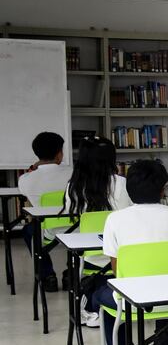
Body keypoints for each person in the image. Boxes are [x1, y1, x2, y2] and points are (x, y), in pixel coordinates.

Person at [90, 160, 168, 345]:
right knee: (166, 282)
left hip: (131, 300)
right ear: (163, 189)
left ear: (129, 190)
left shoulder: (115, 219)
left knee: (100, 294)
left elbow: (117, 270)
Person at [65, 137, 131, 328]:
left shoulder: (74, 186)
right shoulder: (123, 184)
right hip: (124, 258)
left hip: (90, 257)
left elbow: (73, 218)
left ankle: (91, 301)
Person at [18, 131, 73, 292]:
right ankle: (71, 273)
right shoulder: (74, 174)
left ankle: (47, 275)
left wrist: (34, 168)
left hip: (47, 232)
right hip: (75, 229)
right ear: (59, 154)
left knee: (28, 230)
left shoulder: (26, 180)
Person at [65, 136, 130, 215]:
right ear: (111, 158)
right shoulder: (123, 182)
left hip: (83, 227)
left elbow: (69, 212)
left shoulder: (73, 185)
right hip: (117, 226)